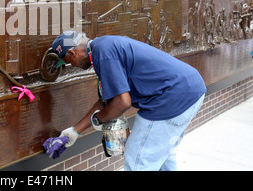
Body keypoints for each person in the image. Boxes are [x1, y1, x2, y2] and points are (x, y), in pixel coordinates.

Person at [50, 31, 206, 171]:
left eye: (68, 62)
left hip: (170, 99)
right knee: (162, 156)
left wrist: (99, 119)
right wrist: (75, 131)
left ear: (72, 53)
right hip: (190, 91)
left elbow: (122, 102)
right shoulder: (103, 47)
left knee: (138, 161)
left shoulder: (103, 53)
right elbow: (106, 101)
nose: (73, 66)